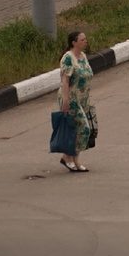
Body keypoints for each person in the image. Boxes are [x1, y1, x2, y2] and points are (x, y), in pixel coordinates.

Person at [57, 30, 96, 173]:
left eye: (85, 39)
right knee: (84, 128)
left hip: (83, 98)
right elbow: (65, 81)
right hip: (71, 98)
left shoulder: (83, 56)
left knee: (79, 130)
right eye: (82, 40)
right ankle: (68, 157)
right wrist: (66, 101)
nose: (85, 41)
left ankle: (73, 159)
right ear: (74, 42)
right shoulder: (68, 58)